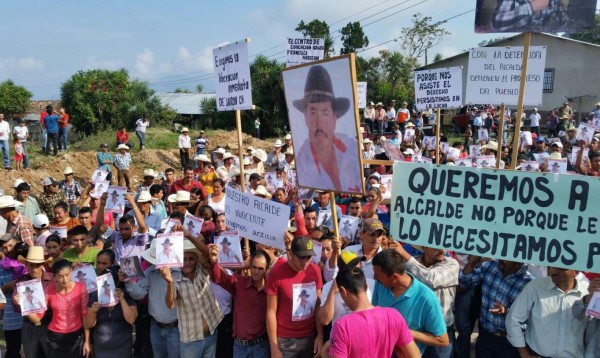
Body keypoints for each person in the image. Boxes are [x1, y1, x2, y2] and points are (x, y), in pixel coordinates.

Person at [292, 65, 363, 193]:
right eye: (313, 113)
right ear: (305, 118)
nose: (319, 122)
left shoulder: (351, 149)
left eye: (325, 113)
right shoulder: (303, 162)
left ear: (334, 118)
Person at [325, 266, 421, 358]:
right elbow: (415, 355)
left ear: (343, 291)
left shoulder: (342, 326)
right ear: (366, 286)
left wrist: (324, 353)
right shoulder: (394, 315)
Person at [371, 249, 449, 354]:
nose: (374, 278)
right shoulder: (381, 284)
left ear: (394, 277)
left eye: (378, 275)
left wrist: (405, 333)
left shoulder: (426, 298)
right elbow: (373, 314)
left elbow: (442, 340)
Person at [389, 242, 459, 358]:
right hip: (415, 331)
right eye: (437, 246)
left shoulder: (452, 264)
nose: (442, 250)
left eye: (444, 245)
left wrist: (405, 256)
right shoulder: (411, 263)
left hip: (440, 332)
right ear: (424, 246)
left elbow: (430, 279)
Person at [160, 234, 223, 357]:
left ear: (197, 260)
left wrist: (187, 234)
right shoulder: (175, 279)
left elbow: (206, 253)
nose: (187, 263)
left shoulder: (202, 269)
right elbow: (170, 304)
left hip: (212, 332)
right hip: (190, 340)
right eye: (184, 259)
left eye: (191, 259)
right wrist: (169, 282)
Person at [506, 266, 589, 357]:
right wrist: (524, 353)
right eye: (552, 267)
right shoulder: (535, 287)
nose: (554, 271)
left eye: (561, 268)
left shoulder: (587, 294)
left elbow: (592, 333)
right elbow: (513, 318)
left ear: (576, 272)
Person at [459, 257, 532, 357]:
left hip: (510, 342)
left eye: (506, 258)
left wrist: (507, 312)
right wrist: (472, 262)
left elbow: (529, 320)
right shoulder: (490, 267)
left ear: (518, 263)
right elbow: (464, 282)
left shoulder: (528, 284)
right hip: (485, 337)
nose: (500, 260)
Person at [266, 236, 324, 357]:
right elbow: (271, 311)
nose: (305, 261)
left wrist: (320, 336)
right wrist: (274, 347)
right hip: (285, 342)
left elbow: (318, 305)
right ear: (291, 253)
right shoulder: (276, 273)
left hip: (310, 338)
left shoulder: (315, 271)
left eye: (309, 257)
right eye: (301, 257)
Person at [209, 246, 271, 357]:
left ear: (266, 269)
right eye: (254, 267)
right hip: (240, 347)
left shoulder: (271, 291)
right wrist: (214, 262)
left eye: (260, 269)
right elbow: (219, 278)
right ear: (249, 267)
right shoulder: (239, 283)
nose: (256, 271)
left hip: (261, 346)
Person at [124, 239, 181, 358]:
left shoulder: (179, 272)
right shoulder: (150, 272)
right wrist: (129, 282)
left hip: (176, 328)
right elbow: (139, 294)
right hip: (155, 326)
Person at [84, 252, 138, 358]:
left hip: (123, 347)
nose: (107, 286)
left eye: (111, 283)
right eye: (105, 283)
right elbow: (89, 324)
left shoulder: (126, 295)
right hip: (101, 349)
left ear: (117, 283)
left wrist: (122, 300)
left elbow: (131, 319)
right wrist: (93, 311)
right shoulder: (95, 295)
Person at [38, 259, 91, 357]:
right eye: (60, 276)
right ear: (54, 277)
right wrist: (24, 304)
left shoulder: (81, 288)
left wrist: (87, 341)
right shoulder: (48, 290)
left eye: (67, 275)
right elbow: (38, 315)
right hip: (54, 337)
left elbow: (85, 315)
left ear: (71, 271)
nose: (65, 279)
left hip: (76, 336)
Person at [13, 246, 54, 358]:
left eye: (37, 265)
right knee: (31, 355)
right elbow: (15, 307)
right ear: (26, 265)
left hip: (48, 324)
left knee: (50, 354)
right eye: (31, 265)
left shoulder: (52, 279)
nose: (34, 269)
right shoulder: (21, 281)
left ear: (42, 265)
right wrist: (17, 302)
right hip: (29, 326)